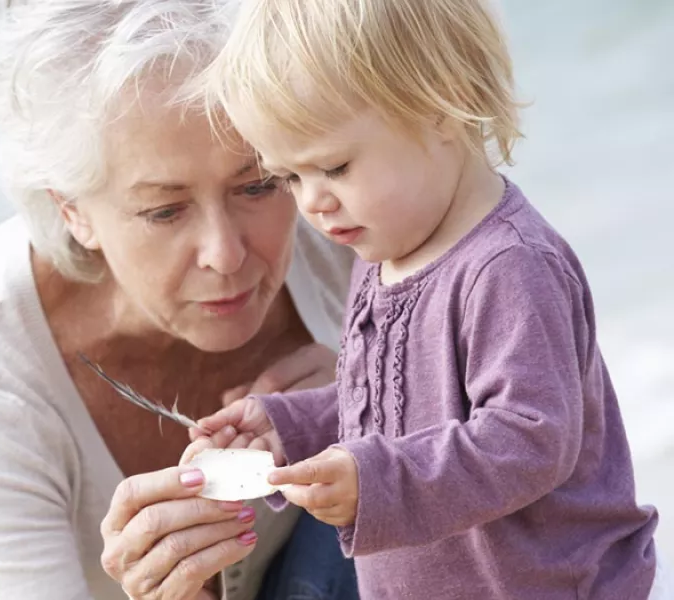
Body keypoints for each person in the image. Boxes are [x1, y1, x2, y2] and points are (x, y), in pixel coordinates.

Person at [0, 1, 359, 599]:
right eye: (165, 211)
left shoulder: (346, 232)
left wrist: (376, 400)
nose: (226, 254)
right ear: (71, 210)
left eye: (257, 185)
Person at [185, 0, 668, 598]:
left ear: (441, 105)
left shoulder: (509, 266)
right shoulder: (382, 250)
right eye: (289, 177)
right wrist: (290, 428)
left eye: (334, 166)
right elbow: (398, 407)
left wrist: (378, 482)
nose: (312, 202)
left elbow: (530, 439)